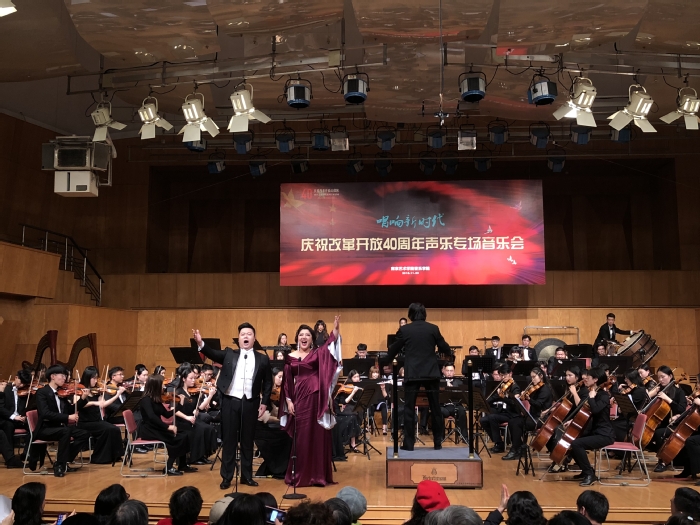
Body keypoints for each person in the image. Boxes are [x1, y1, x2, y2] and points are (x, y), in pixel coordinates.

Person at [193, 322, 273, 489]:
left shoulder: (263, 359)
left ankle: (247, 476)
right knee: (229, 440)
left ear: (254, 338)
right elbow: (213, 353)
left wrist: (265, 402)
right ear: (238, 338)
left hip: (251, 402)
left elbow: (267, 383)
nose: (245, 336)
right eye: (242, 334)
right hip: (230, 401)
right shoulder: (230, 354)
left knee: (247, 441)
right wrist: (200, 343)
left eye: (249, 334)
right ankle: (227, 477)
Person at [279, 316, 342, 487]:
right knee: (301, 438)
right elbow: (286, 382)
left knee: (318, 437)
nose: (304, 337)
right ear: (297, 338)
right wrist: (288, 401)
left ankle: (318, 476)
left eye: (307, 335)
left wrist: (336, 330)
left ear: (312, 339)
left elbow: (331, 346)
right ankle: (301, 475)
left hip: (317, 399)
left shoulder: (317, 353)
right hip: (299, 399)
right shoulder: (290, 357)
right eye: (301, 335)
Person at [387, 303, 453, 450]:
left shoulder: (405, 329)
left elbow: (394, 349)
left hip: (413, 373)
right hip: (431, 372)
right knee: (435, 408)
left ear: (410, 314)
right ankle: (437, 443)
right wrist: (450, 354)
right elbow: (444, 347)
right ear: (424, 314)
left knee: (409, 408)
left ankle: (409, 444)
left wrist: (385, 361)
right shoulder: (433, 328)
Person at [33, 365, 90, 477]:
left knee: (84, 433)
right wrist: (67, 417)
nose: (65, 379)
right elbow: (45, 413)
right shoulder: (42, 392)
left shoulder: (61, 393)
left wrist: (83, 398)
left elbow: (70, 409)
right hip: (45, 428)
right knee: (65, 431)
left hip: (60, 427)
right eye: (63, 376)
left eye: (65, 376)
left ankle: (65, 460)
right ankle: (59, 465)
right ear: (53, 376)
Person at [567, 367, 615, 486]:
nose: (585, 379)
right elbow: (585, 410)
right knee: (571, 441)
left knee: (577, 444)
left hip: (604, 434)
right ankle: (586, 471)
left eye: (588, 377)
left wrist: (592, 397)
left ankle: (590, 474)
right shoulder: (594, 393)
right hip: (595, 431)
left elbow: (595, 410)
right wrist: (573, 420)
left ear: (595, 379)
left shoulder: (603, 395)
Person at [139, 374, 190, 476]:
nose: (164, 387)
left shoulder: (156, 399)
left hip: (156, 427)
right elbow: (152, 417)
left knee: (184, 434)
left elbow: (166, 414)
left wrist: (180, 404)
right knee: (176, 439)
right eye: (162, 385)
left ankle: (182, 464)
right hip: (149, 429)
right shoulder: (146, 400)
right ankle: (169, 467)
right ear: (156, 386)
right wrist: (168, 427)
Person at [75, 366, 124, 464]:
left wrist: (117, 394)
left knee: (114, 429)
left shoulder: (96, 391)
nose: (96, 380)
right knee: (108, 429)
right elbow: (76, 404)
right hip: (85, 422)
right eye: (93, 378)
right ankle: (99, 457)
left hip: (96, 421)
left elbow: (103, 404)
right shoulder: (79, 390)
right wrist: (94, 403)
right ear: (88, 378)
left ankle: (115, 456)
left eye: (96, 378)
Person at [504, 367, 553, 460]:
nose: (532, 379)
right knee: (512, 421)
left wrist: (529, 399)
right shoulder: (536, 388)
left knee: (517, 423)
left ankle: (515, 449)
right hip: (533, 416)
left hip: (541, 419)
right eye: (531, 377)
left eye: (534, 377)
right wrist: (522, 397)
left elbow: (539, 405)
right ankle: (519, 448)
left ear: (541, 376)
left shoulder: (545, 390)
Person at [174, 367, 217, 466]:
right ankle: (195, 457)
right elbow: (174, 410)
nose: (194, 380)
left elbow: (200, 407)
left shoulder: (194, 392)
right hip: (182, 420)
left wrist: (209, 396)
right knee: (200, 430)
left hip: (192, 419)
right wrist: (187, 417)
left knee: (209, 428)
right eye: (191, 378)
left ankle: (202, 455)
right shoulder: (178, 392)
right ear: (184, 379)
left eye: (194, 378)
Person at [647, 366, 688, 471]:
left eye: (663, 377)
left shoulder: (679, 391)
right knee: (645, 434)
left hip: (674, 423)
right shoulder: (658, 390)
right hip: (659, 422)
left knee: (659, 434)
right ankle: (664, 454)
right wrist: (650, 395)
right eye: (658, 377)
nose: (660, 380)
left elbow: (682, 409)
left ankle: (663, 461)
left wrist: (668, 399)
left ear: (670, 376)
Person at [254, 367, 292, 478]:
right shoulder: (258, 396)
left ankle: (277, 466)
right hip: (259, 430)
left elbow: (275, 411)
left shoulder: (267, 396)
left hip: (265, 428)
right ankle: (278, 468)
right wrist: (280, 420)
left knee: (288, 433)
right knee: (287, 436)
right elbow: (263, 417)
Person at [480, 364, 521, 454]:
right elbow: (495, 397)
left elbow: (514, 403)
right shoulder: (503, 385)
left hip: (512, 414)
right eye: (501, 375)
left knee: (492, 417)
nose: (502, 377)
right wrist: (484, 402)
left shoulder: (515, 387)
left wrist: (504, 397)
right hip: (504, 413)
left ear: (510, 374)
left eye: (504, 375)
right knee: (483, 420)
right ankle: (499, 442)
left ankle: (499, 444)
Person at [0, 369, 33, 468]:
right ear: (16, 378)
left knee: (33, 425)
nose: (22, 385)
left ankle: (27, 453)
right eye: (21, 382)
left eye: (25, 383)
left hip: (20, 418)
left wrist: (24, 415)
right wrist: (14, 417)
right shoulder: (5, 389)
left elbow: (28, 407)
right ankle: (10, 457)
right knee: (8, 425)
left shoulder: (25, 391)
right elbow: (1, 408)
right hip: (7, 418)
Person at [440, 363, 468, 441]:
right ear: (443, 371)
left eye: (451, 371)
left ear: (454, 372)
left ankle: (464, 436)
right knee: (439, 411)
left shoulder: (459, 382)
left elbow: (462, 396)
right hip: (444, 406)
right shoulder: (439, 382)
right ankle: (440, 436)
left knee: (462, 411)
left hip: (456, 405)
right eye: (447, 371)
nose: (449, 373)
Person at [368, 366, 390, 435]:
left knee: (384, 406)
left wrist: (383, 388)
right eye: (373, 373)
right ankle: (370, 426)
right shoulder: (368, 382)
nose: (375, 374)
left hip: (380, 402)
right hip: (372, 402)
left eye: (376, 373)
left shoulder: (382, 381)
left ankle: (384, 427)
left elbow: (386, 397)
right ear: (371, 373)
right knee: (370, 407)